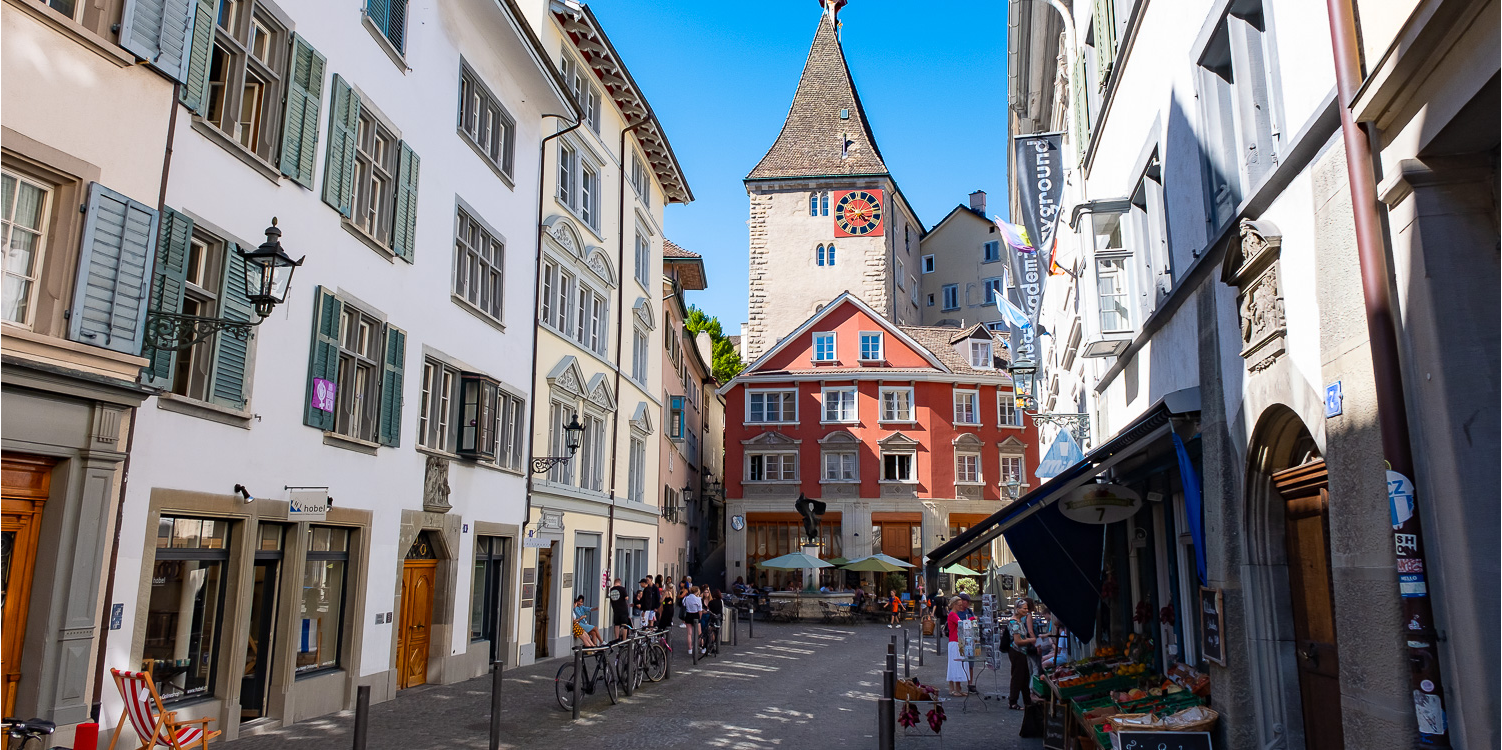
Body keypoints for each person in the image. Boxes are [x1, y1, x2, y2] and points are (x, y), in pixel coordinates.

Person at [1008, 598, 1039, 710]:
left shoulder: (1020, 621)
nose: (1026, 610)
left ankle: (1027, 701)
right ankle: (1013, 702)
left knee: (1025, 677)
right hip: (1017, 652)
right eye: (1024, 609)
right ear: (1017, 609)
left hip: (1022, 652)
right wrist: (1032, 640)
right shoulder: (1015, 623)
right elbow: (1018, 641)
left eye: (1027, 608)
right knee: (1018, 677)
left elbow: (1023, 637)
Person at [945, 597, 969, 697]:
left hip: (957, 641)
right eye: (959, 605)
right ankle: (952, 689)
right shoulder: (952, 615)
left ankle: (958, 688)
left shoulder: (955, 614)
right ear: (954, 605)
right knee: (954, 664)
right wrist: (971, 619)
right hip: (954, 642)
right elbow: (961, 625)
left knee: (958, 664)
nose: (961, 606)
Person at [682, 585, 704, 654]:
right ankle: (702, 647)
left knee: (689, 634)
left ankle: (690, 649)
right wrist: (700, 618)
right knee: (699, 633)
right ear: (697, 592)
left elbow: (683, 605)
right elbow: (700, 610)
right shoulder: (698, 599)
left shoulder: (686, 598)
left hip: (688, 615)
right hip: (696, 615)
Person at [607, 577, 630, 642]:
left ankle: (616, 639)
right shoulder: (622, 589)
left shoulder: (611, 590)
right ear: (620, 583)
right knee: (624, 625)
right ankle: (624, 640)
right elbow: (626, 598)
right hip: (623, 610)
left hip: (616, 610)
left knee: (616, 625)